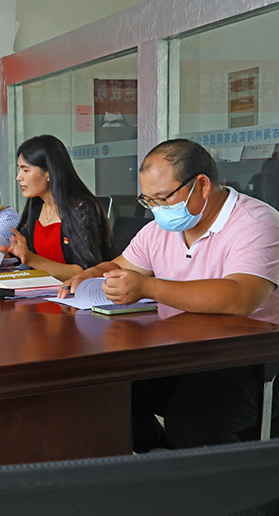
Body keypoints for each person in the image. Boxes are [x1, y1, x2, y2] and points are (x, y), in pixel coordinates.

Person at [62, 138, 279, 452]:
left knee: (192, 426)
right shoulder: (159, 230)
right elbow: (121, 265)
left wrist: (147, 287)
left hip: (245, 357)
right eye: (148, 201)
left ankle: (204, 472)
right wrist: (90, 275)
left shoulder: (255, 223)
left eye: (163, 198)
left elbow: (240, 297)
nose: (157, 210)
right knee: (104, 391)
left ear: (201, 185)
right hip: (177, 348)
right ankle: (156, 457)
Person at [3, 134, 114, 281]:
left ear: (48, 173)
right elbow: (20, 257)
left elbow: (86, 271)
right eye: (19, 169)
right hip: (44, 290)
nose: (18, 177)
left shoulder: (81, 208)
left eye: (25, 170)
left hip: (76, 292)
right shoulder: (36, 205)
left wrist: (31, 259)